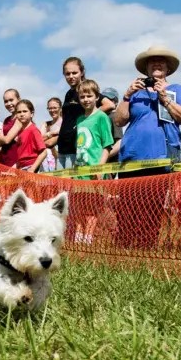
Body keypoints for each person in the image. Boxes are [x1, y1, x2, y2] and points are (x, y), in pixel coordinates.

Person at [112, 46, 181, 250]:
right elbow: (120, 121)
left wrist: (164, 98)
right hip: (132, 155)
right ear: (146, 67)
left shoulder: (177, 89)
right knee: (127, 206)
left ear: (167, 67)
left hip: (161, 155)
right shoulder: (136, 92)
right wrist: (126, 95)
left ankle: (147, 247)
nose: (157, 63)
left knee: (153, 206)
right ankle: (125, 247)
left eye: (161, 61)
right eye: (152, 61)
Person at [73, 79, 114, 245]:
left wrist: (100, 167)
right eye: (82, 96)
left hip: (94, 172)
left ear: (97, 97)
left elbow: (107, 145)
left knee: (92, 209)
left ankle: (88, 240)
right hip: (80, 171)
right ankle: (78, 238)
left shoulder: (102, 117)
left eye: (89, 95)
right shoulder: (79, 120)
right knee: (78, 208)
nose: (86, 99)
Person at [58, 57, 115, 170]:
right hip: (63, 148)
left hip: (79, 149)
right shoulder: (69, 94)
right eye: (67, 74)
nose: (71, 76)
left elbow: (109, 105)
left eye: (74, 73)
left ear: (82, 72)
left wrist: (88, 119)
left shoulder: (86, 89)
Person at [12, 99, 47, 172]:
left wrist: (32, 169)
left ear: (31, 113)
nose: (21, 114)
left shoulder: (34, 130)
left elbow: (44, 153)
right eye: (19, 112)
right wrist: (11, 169)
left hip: (32, 168)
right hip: (21, 168)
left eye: (25, 111)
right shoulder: (19, 132)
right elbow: (21, 157)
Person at [0, 88, 22, 168]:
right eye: (6, 101)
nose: (9, 103)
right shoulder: (6, 120)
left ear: (19, 99)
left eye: (11, 100)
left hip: (16, 163)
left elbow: (6, 140)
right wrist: (2, 138)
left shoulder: (20, 118)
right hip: (4, 161)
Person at [100, 88, 124, 163]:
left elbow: (119, 142)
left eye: (109, 99)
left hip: (109, 163)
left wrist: (103, 157)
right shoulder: (102, 117)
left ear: (116, 102)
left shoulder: (114, 116)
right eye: (104, 99)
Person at [39, 97, 62, 172]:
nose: (52, 110)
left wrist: (46, 137)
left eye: (55, 108)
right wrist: (51, 133)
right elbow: (38, 141)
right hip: (45, 161)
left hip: (60, 159)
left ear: (60, 108)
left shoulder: (64, 123)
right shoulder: (45, 124)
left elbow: (50, 142)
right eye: (50, 108)